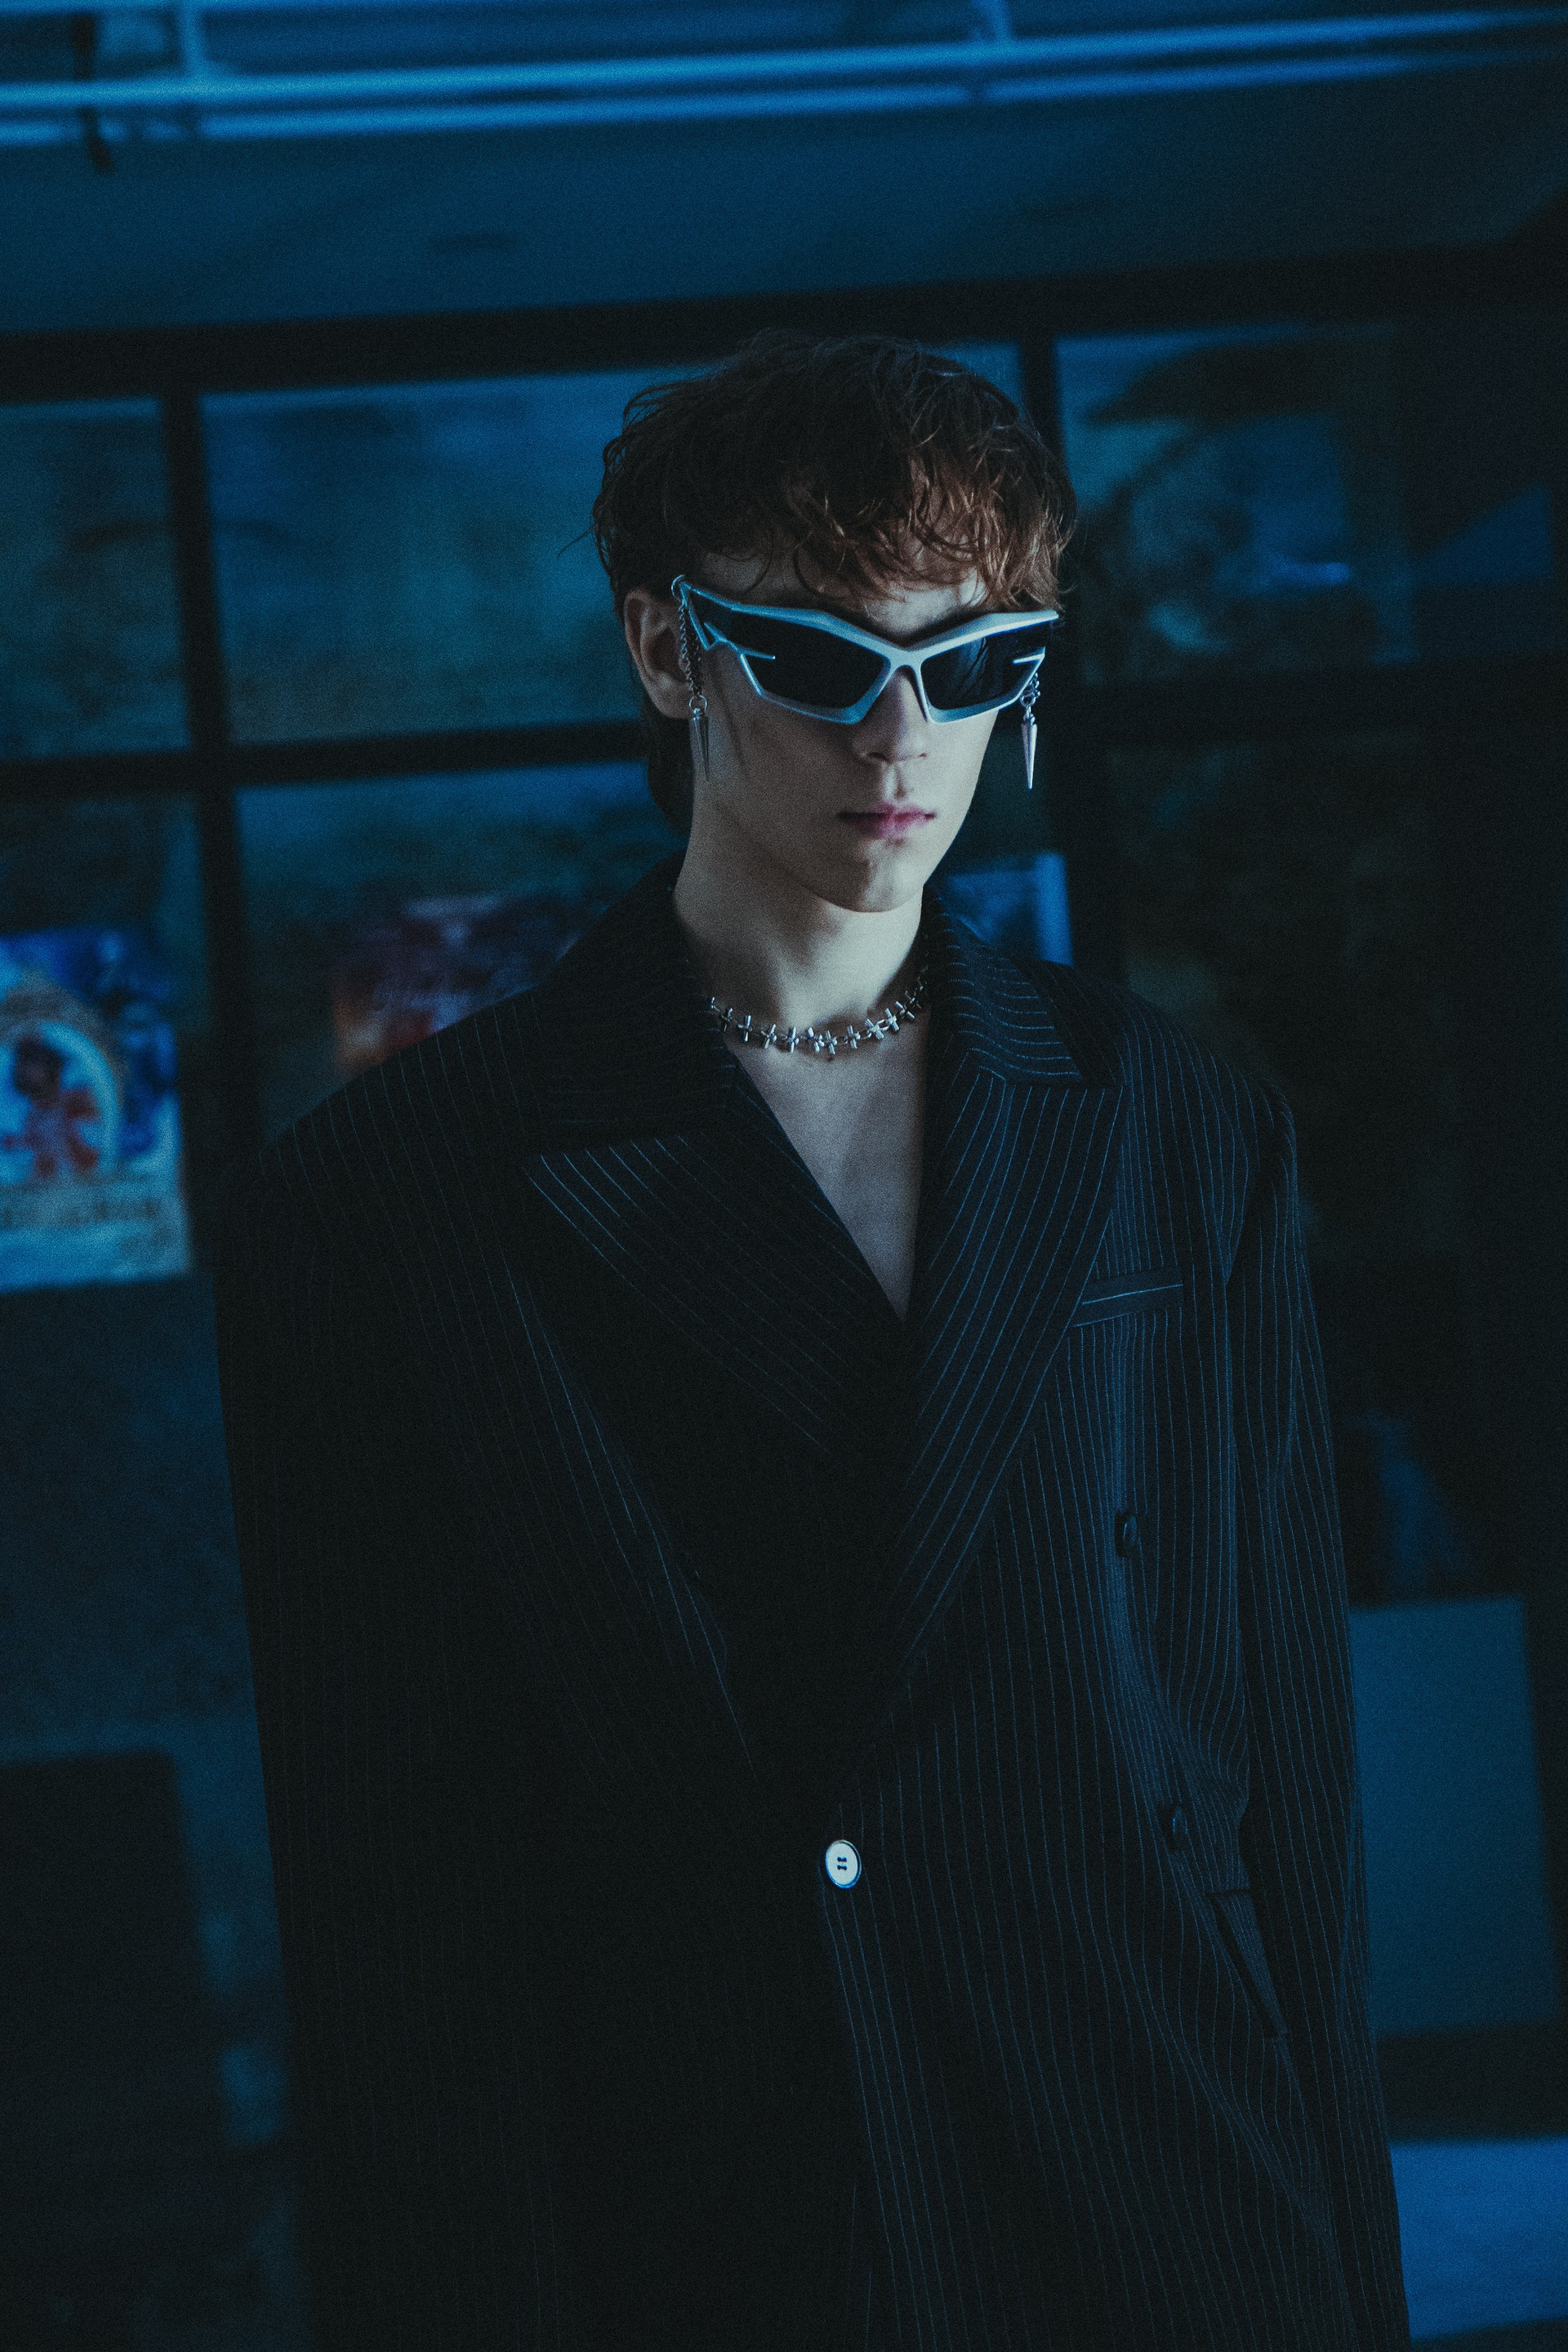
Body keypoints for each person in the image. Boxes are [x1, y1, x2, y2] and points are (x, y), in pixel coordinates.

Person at [215, 332, 1411, 2351]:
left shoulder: (1173, 1127)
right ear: (665, 652)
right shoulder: (393, 1201)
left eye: (974, 660)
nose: (904, 733)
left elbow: (1278, 1770)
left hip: (1159, 2168)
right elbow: (396, 1915)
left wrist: (1349, 2284)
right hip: (732, 2216)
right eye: (818, 654)